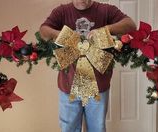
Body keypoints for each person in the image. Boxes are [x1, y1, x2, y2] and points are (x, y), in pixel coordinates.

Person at [40, 0, 136, 132]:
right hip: (68, 85)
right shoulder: (62, 11)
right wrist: (62, 35)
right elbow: (43, 31)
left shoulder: (105, 10)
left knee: (97, 128)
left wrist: (105, 30)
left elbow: (130, 25)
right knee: (68, 128)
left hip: (98, 85)